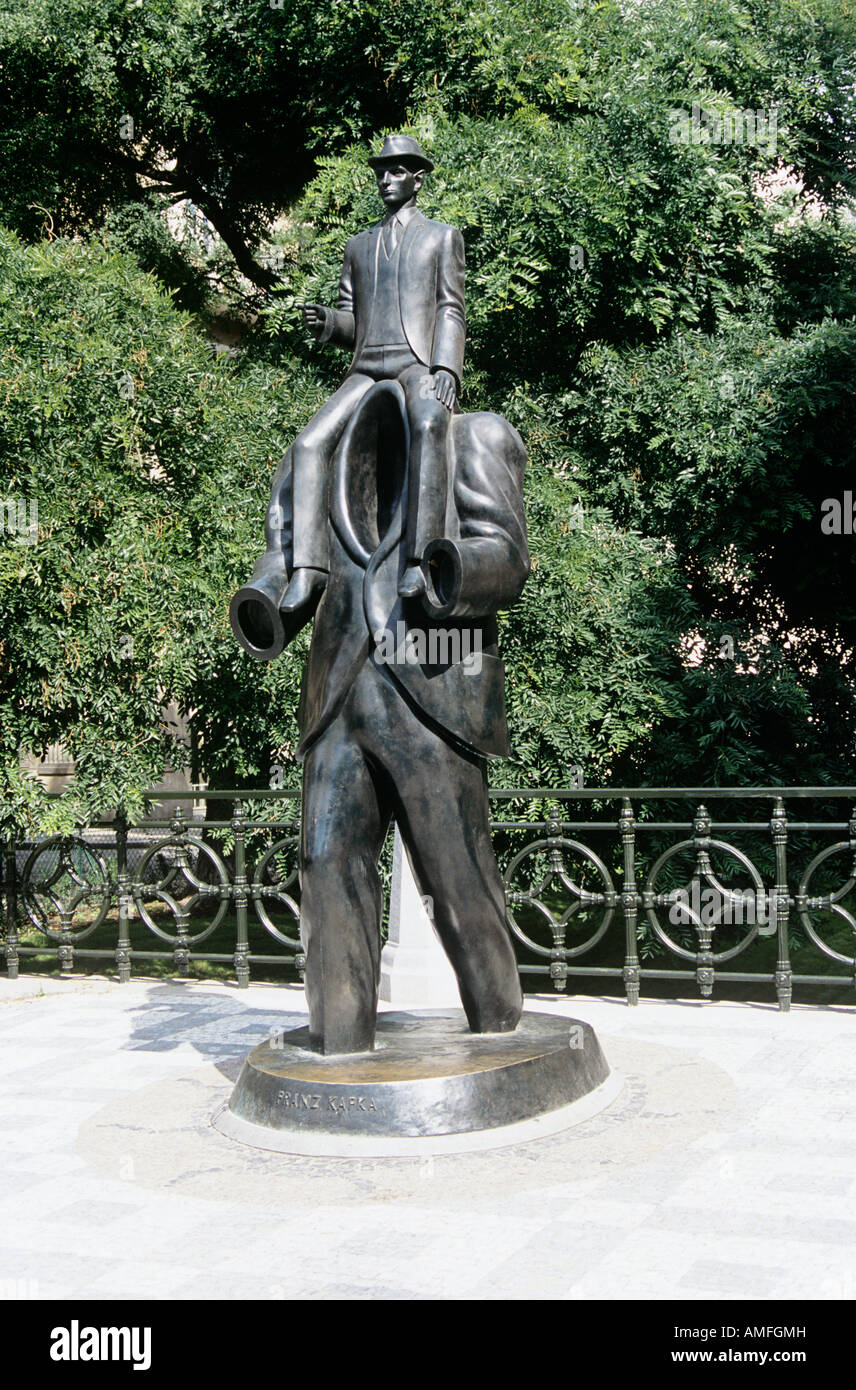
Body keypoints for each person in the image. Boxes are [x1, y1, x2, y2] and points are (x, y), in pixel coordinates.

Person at [282, 133, 465, 617]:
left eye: (397, 171)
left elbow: (451, 308)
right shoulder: (358, 246)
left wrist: (446, 367)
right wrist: (329, 324)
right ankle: (308, 569)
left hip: (414, 363)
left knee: (429, 424)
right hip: (365, 367)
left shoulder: (441, 237)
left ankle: (419, 562)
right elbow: (351, 319)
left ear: (418, 178)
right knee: (308, 444)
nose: (386, 180)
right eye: (381, 172)